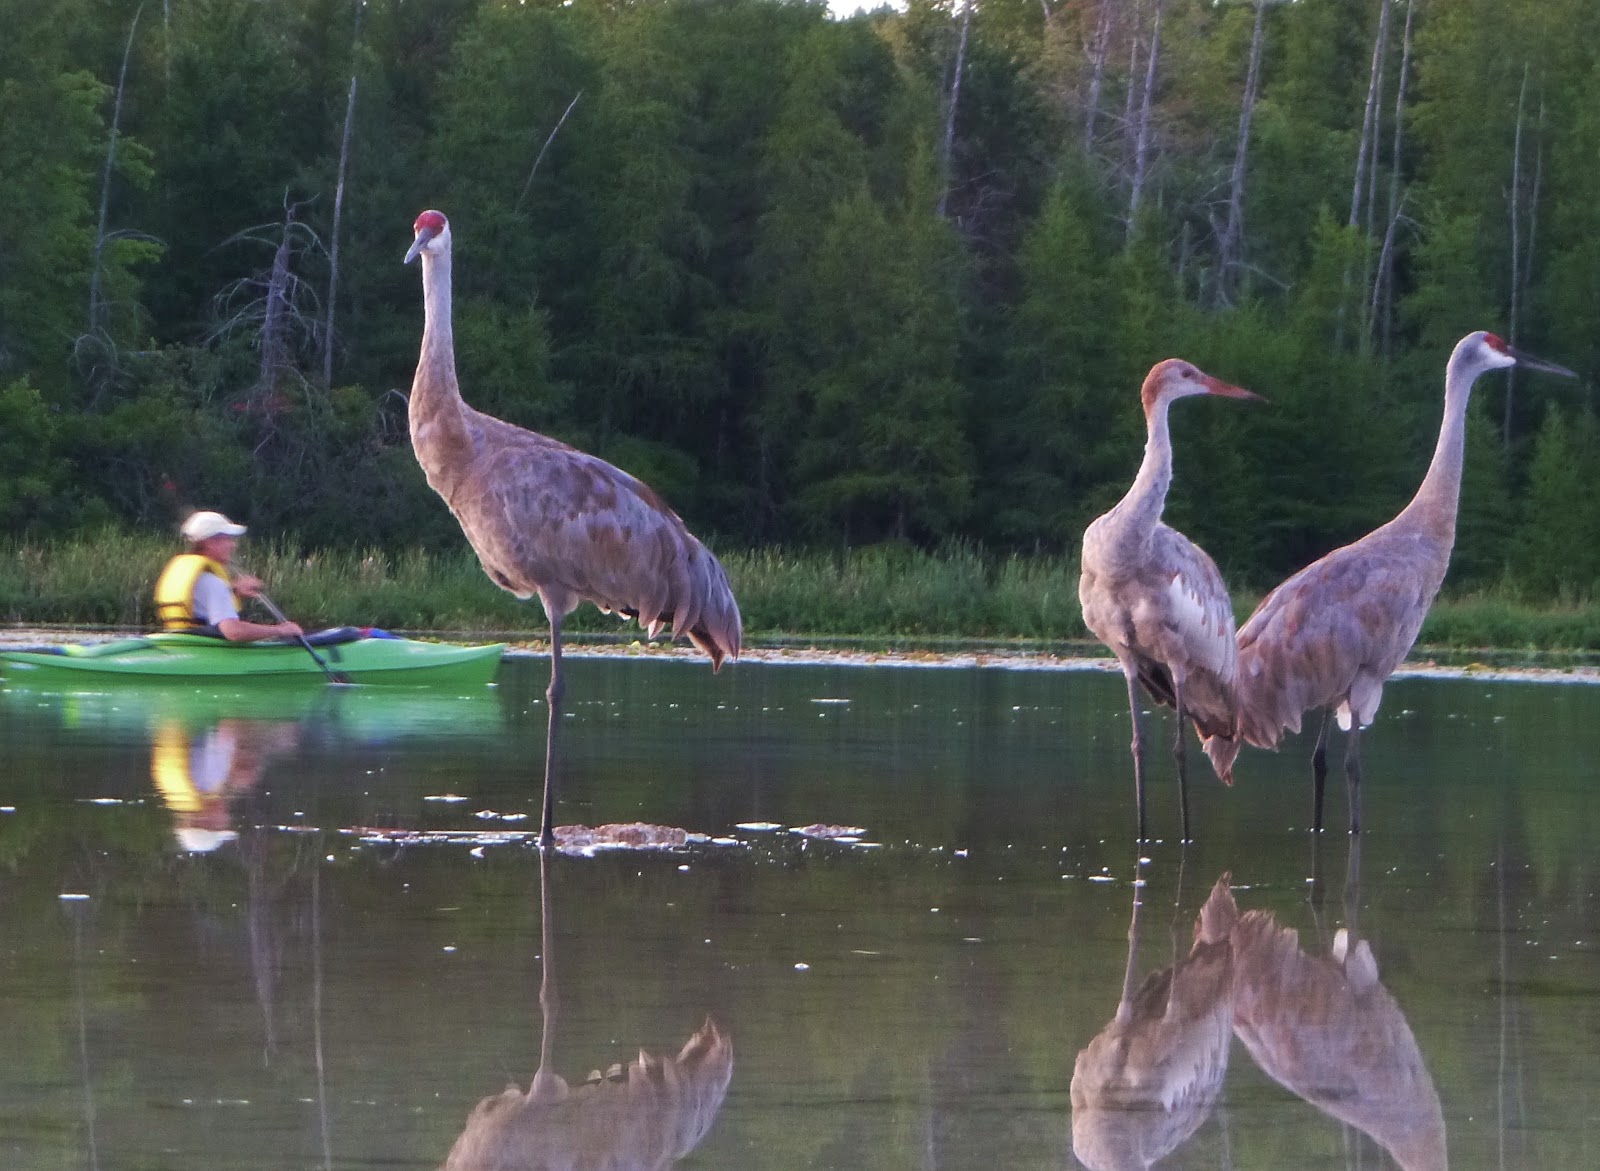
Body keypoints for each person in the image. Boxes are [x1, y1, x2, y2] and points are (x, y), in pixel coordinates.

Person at [153, 510, 304, 642]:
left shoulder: (196, 576)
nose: (233, 545)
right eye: (228, 539)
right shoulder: (213, 582)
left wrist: (233, 590)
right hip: (209, 651)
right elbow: (233, 632)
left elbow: (202, 599)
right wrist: (281, 630)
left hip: (181, 643)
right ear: (210, 542)